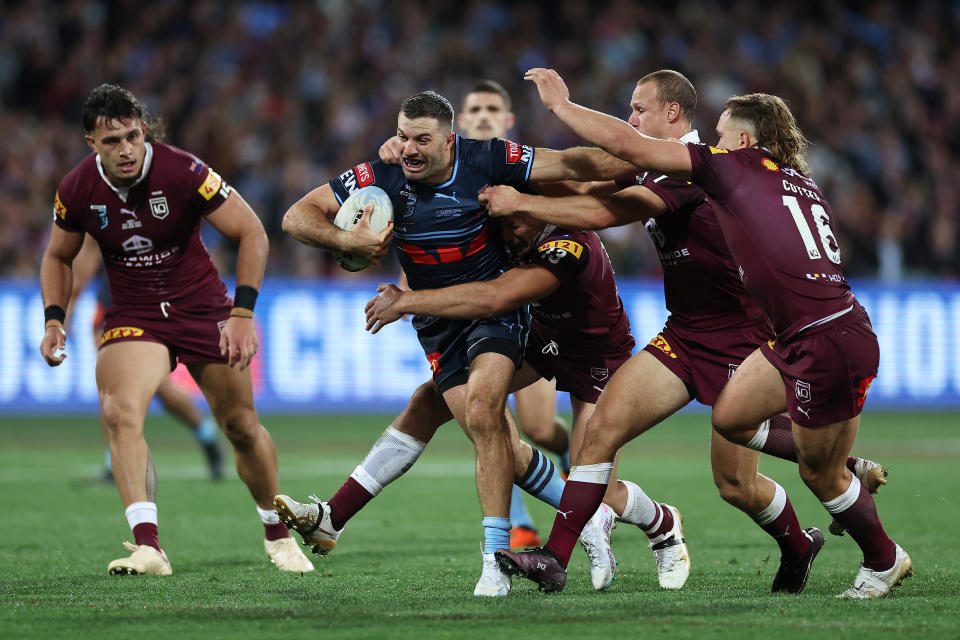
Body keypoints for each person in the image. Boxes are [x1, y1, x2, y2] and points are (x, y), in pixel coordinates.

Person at [500, 68, 909, 599]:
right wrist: (515, 175)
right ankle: (554, 559)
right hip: (686, 333)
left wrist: (556, 119)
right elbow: (588, 184)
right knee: (601, 431)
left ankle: (805, 534)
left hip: (745, 339)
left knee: (735, 484)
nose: (632, 117)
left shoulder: (706, 168)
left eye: (640, 107)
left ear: (674, 113)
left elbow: (604, 208)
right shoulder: (674, 167)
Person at [278, 89, 633, 596]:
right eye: (403, 137)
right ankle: (596, 520)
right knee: (478, 430)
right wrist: (345, 239)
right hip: (438, 325)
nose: (410, 149)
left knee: (488, 410)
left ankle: (493, 560)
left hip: (496, 311)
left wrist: (642, 155)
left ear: (451, 140)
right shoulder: (382, 172)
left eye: (422, 139)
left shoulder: (489, 159)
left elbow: (570, 164)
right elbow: (297, 215)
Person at [38, 84, 313, 575]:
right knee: (119, 411)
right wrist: (54, 318)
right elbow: (57, 256)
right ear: (90, 143)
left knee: (241, 427)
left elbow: (251, 232)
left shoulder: (184, 170)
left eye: (131, 136)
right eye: (111, 141)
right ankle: (149, 546)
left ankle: (276, 531)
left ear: (143, 130)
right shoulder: (77, 188)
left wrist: (242, 314)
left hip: (202, 307)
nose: (125, 149)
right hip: (135, 313)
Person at [457, 79, 571, 550]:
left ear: (507, 122)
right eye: (474, 109)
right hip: (480, 313)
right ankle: (519, 522)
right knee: (487, 418)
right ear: (459, 124)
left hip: (534, 307)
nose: (482, 116)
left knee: (540, 428)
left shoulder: (523, 165)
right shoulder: (444, 171)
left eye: (492, 109)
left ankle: (563, 453)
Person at [68, 235, 223, 483]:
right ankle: (114, 464)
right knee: (110, 384)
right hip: (112, 304)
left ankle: (206, 436)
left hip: (153, 304)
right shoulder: (100, 203)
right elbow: (89, 251)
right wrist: (72, 300)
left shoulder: (161, 202)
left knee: (159, 387)